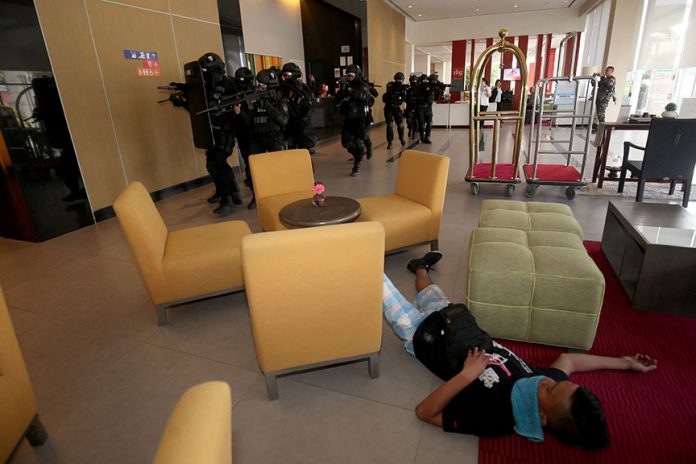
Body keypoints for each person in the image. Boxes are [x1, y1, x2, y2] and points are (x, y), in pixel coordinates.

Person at [382, 252, 657, 449]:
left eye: (550, 388)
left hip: (423, 336)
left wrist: (467, 375)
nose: (548, 380)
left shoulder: (496, 418)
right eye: (558, 383)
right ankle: (419, 267)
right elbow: (569, 361)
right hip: (455, 321)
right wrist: (624, 363)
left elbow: (425, 412)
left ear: (541, 417)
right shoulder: (547, 386)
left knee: (376, 280)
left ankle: (350, 247)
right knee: (428, 290)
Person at [196, 53, 242, 216]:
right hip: (215, 132)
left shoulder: (228, 84)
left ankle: (227, 199)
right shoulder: (208, 85)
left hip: (226, 132)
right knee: (216, 164)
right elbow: (202, 109)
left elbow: (236, 108)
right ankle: (233, 193)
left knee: (217, 164)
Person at [246, 68, 289, 208]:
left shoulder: (279, 99)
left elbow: (283, 120)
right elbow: (248, 121)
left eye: (262, 86)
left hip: (274, 137)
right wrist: (241, 112)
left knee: (278, 169)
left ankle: (280, 195)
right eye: (258, 84)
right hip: (257, 137)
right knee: (252, 169)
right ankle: (256, 196)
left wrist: (268, 107)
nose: (259, 88)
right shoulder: (254, 97)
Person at [336, 64, 373, 177]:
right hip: (349, 117)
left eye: (351, 75)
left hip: (360, 117)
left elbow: (362, 95)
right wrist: (342, 89)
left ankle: (358, 162)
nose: (349, 77)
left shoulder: (363, 85)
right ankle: (359, 154)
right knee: (345, 142)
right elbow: (337, 99)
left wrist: (348, 89)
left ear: (357, 75)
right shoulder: (347, 85)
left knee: (358, 140)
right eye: (347, 75)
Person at [231, 67, 255, 208]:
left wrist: (240, 113)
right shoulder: (237, 94)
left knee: (252, 167)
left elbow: (249, 121)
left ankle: (256, 196)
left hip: (252, 136)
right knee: (248, 164)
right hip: (242, 136)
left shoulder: (253, 95)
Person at [280, 62, 317, 154]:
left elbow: (308, 96)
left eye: (288, 75)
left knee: (303, 149)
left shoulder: (300, 87)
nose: (285, 77)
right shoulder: (283, 88)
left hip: (301, 123)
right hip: (288, 123)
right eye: (284, 74)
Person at [383, 72, 408, 150]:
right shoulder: (390, 85)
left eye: (400, 80)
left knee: (400, 125)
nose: (399, 81)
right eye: (397, 79)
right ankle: (390, 142)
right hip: (388, 108)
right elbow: (389, 95)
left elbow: (402, 99)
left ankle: (401, 138)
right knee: (389, 125)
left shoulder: (403, 88)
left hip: (396, 108)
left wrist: (404, 91)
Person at [592, 66, 616, 133]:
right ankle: (600, 128)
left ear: (611, 72)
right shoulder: (604, 79)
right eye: (606, 70)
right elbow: (595, 84)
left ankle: (602, 129)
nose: (606, 72)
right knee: (599, 114)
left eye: (608, 71)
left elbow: (608, 85)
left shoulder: (612, 79)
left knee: (601, 114)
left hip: (604, 99)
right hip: (599, 98)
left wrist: (602, 77)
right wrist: (594, 77)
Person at [405, 73, 420, 140]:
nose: (413, 82)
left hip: (417, 106)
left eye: (414, 80)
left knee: (415, 121)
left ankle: (413, 132)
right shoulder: (408, 88)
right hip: (409, 106)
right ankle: (410, 129)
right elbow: (404, 97)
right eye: (412, 80)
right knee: (409, 120)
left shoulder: (419, 88)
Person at [478, 78, 491, 151]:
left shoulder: (487, 88)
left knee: (483, 115)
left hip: (485, 103)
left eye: (482, 81)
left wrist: (486, 92)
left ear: (485, 82)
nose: (481, 82)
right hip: (479, 103)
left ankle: (481, 126)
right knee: (478, 115)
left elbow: (489, 95)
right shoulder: (479, 87)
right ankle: (478, 125)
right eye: (481, 81)